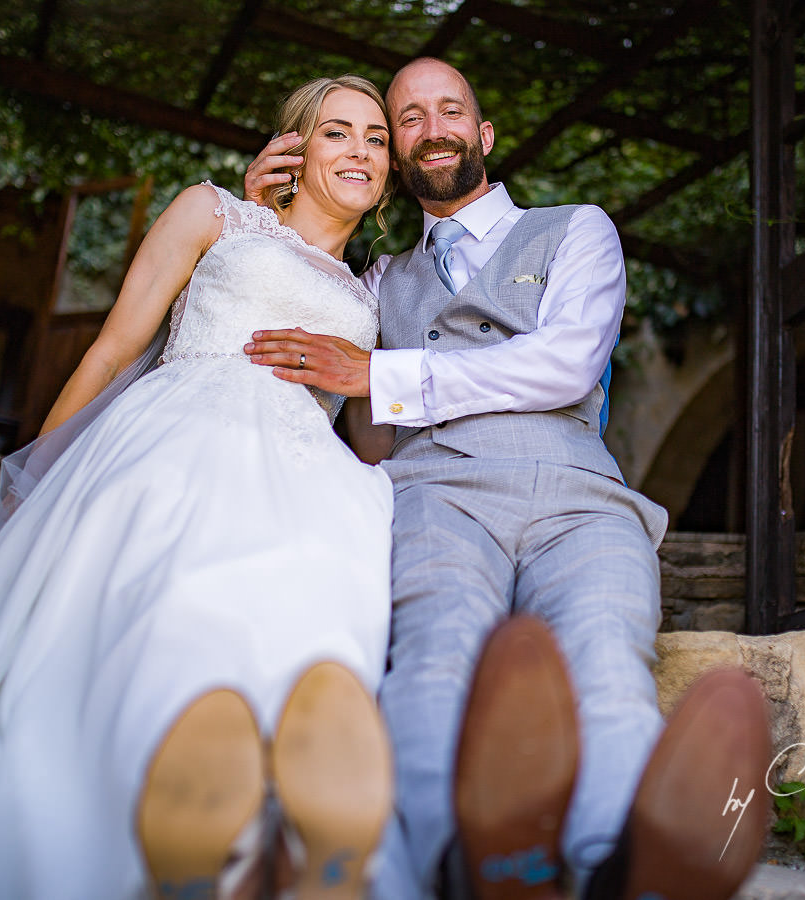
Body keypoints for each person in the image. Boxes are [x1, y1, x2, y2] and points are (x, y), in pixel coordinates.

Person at [0, 74, 398, 900]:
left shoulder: (374, 295)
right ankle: (168, 791)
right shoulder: (215, 214)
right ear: (296, 149)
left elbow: (371, 435)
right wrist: (35, 479)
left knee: (317, 578)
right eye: (338, 132)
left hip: (310, 477)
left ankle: (273, 809)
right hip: (179, 441)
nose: (362, 152)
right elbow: (114, 349)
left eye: (377, 140)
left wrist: (388, 380)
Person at [243, 58, 771, 900]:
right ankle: (465, 862)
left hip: (580, 499)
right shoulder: (381, 281)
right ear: (395, 156)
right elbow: (367, 429)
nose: (433, 126)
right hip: (435, 495)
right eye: (408, 118)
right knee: (432, 654)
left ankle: (623, 868)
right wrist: (268, 214)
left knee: (607, 658)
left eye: (451, 109)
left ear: (484, 135)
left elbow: (564, 366)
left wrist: (381, 373)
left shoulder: (577, 230)